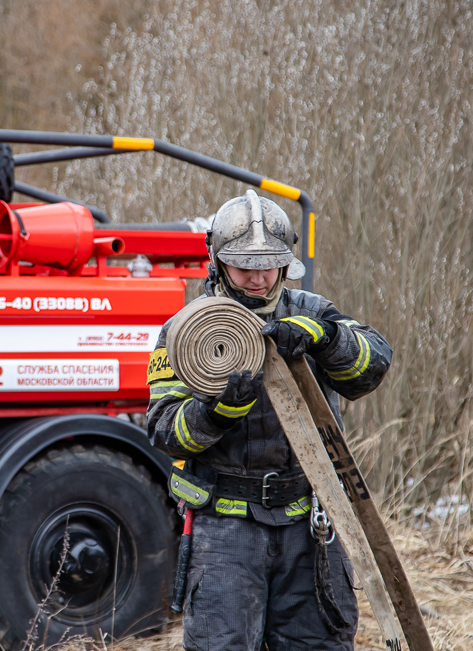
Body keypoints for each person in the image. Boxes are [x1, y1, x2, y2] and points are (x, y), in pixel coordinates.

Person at [146, 190, 392, 651]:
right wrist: (215, 413)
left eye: (271, 265)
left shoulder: (311, 312)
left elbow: (373, 366)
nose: (259, 277)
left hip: (311, 527)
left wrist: (327, 339)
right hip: (225, 532)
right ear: (218, 261)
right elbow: (164, 429)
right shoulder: (184, 331)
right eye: (245, 265)